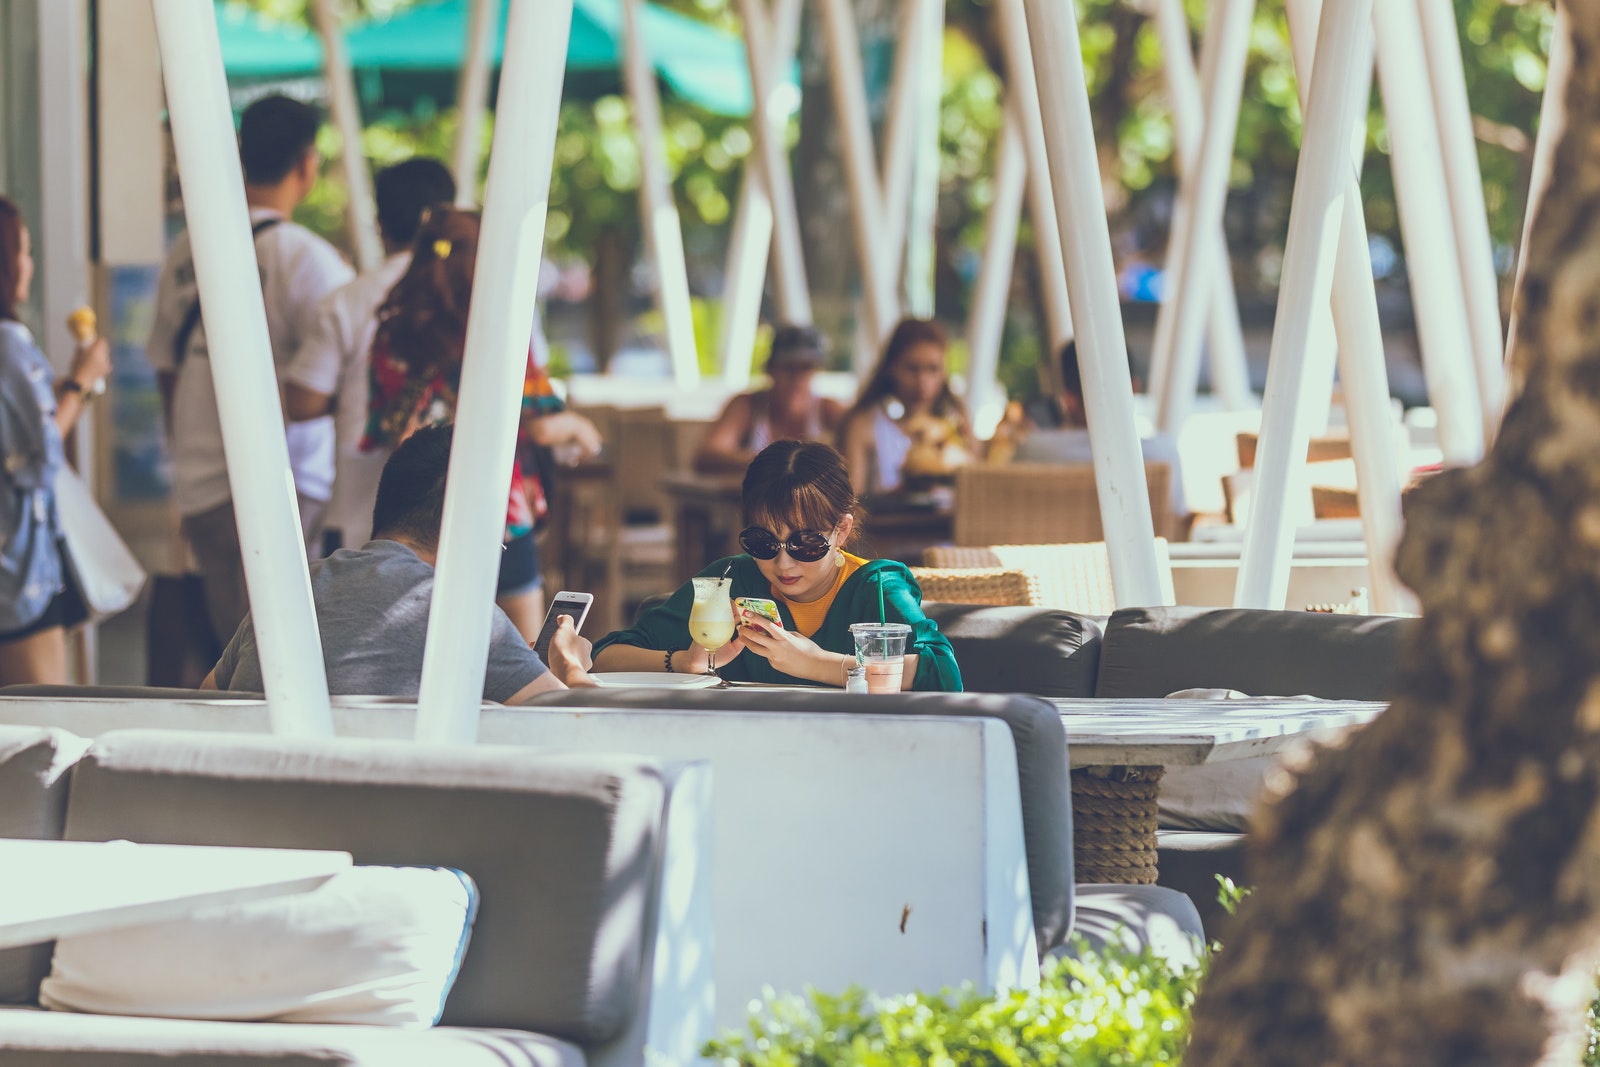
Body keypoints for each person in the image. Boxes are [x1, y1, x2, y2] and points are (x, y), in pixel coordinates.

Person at [146, 94, 354, 644]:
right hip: (284, 486)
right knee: (282, 651)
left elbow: (166, 367)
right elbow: (337, 371)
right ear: (307, 164)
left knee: (231, 644)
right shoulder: (309, 259)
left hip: (201, 484)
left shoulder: (185, 251)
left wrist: (187, 445)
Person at [203, 425, 594, 700]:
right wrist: (570, 668)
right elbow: (579, 735)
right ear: (465, 535)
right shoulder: (463, 617)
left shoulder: (288, 594)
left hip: (262, 810)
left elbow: (207, 703)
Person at [359, 206, 601, 640]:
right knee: (525, 646)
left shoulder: (394, 333)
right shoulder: (497, 331)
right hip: (495, 506)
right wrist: (584, 431)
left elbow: (382, 427)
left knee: (423, 638)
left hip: (416, 508)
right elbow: (543, 425)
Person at [593, 440, 961, 691]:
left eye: (806, 542)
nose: (783, 563)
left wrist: (817, 664)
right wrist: (686, 663)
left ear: (842, 530)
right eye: (763, 542)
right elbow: (604, 657)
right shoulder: (728, 581)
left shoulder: (876, 588)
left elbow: (944, 675)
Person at [284, 157, 457, 554]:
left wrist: (353, 397)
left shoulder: (348, 301)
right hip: (453, 526)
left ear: (380, 223)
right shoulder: (474, 299)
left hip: (359, 521)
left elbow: (303, 400)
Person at [0, 197, 112, 683]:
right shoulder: (8, 341)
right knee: (42, 732)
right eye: (22, 251)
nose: (29, 263)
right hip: (17, 572)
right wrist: (83, 381)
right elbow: (40, 454)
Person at [1013, 340, 1188, 520]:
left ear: (1068, 400)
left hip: (1050, 549)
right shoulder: (1164, 454)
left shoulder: (1032, 451)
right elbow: (1179, 521)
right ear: (1134, 388)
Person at [837, 318, 973, 496]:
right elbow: (850, 505)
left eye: (933, 369)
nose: (923, 382)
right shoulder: (864, 424)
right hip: (887, 524)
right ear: (891, 368)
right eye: (912, 368)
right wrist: (902, 493)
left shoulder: (957, 423)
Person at [694, 324, 845, 474]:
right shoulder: (747, 405)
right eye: (788, 367)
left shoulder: (829, 409)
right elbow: (709, 456)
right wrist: (786, 463)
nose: (796, 378)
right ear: (769, 369)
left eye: (805, 368)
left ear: (816, 371)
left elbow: (853, 458)